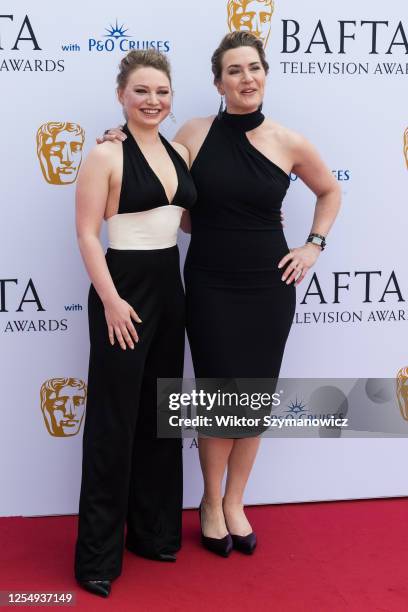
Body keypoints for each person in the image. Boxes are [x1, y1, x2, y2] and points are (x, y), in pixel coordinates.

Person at [100, 31, 341, 557]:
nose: (246, 78)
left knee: (251, 398)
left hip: (268, 286)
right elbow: (157, 168)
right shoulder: (193, 131)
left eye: (253, 67)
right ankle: (210, 504)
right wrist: (115, 136)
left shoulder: (288, 140)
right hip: (209, 284)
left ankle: (236, 502)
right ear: (218, 82)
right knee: (216, 396)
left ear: (266, 74)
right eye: (234, 70)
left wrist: (313, 246)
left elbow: (329, 190)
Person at [74, 49, 196, 597]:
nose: (153, 100)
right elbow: (85, 235)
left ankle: (153, 533)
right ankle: (98, 557)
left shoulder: (180, 151)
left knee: (160, 414)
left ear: (172, 98)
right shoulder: (104, 153)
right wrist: (112, 301)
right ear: (122, 95)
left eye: (162, 92)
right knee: (113, 421)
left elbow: (187, 218)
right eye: (142, 91)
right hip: (123, 289)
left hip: (171, 288)